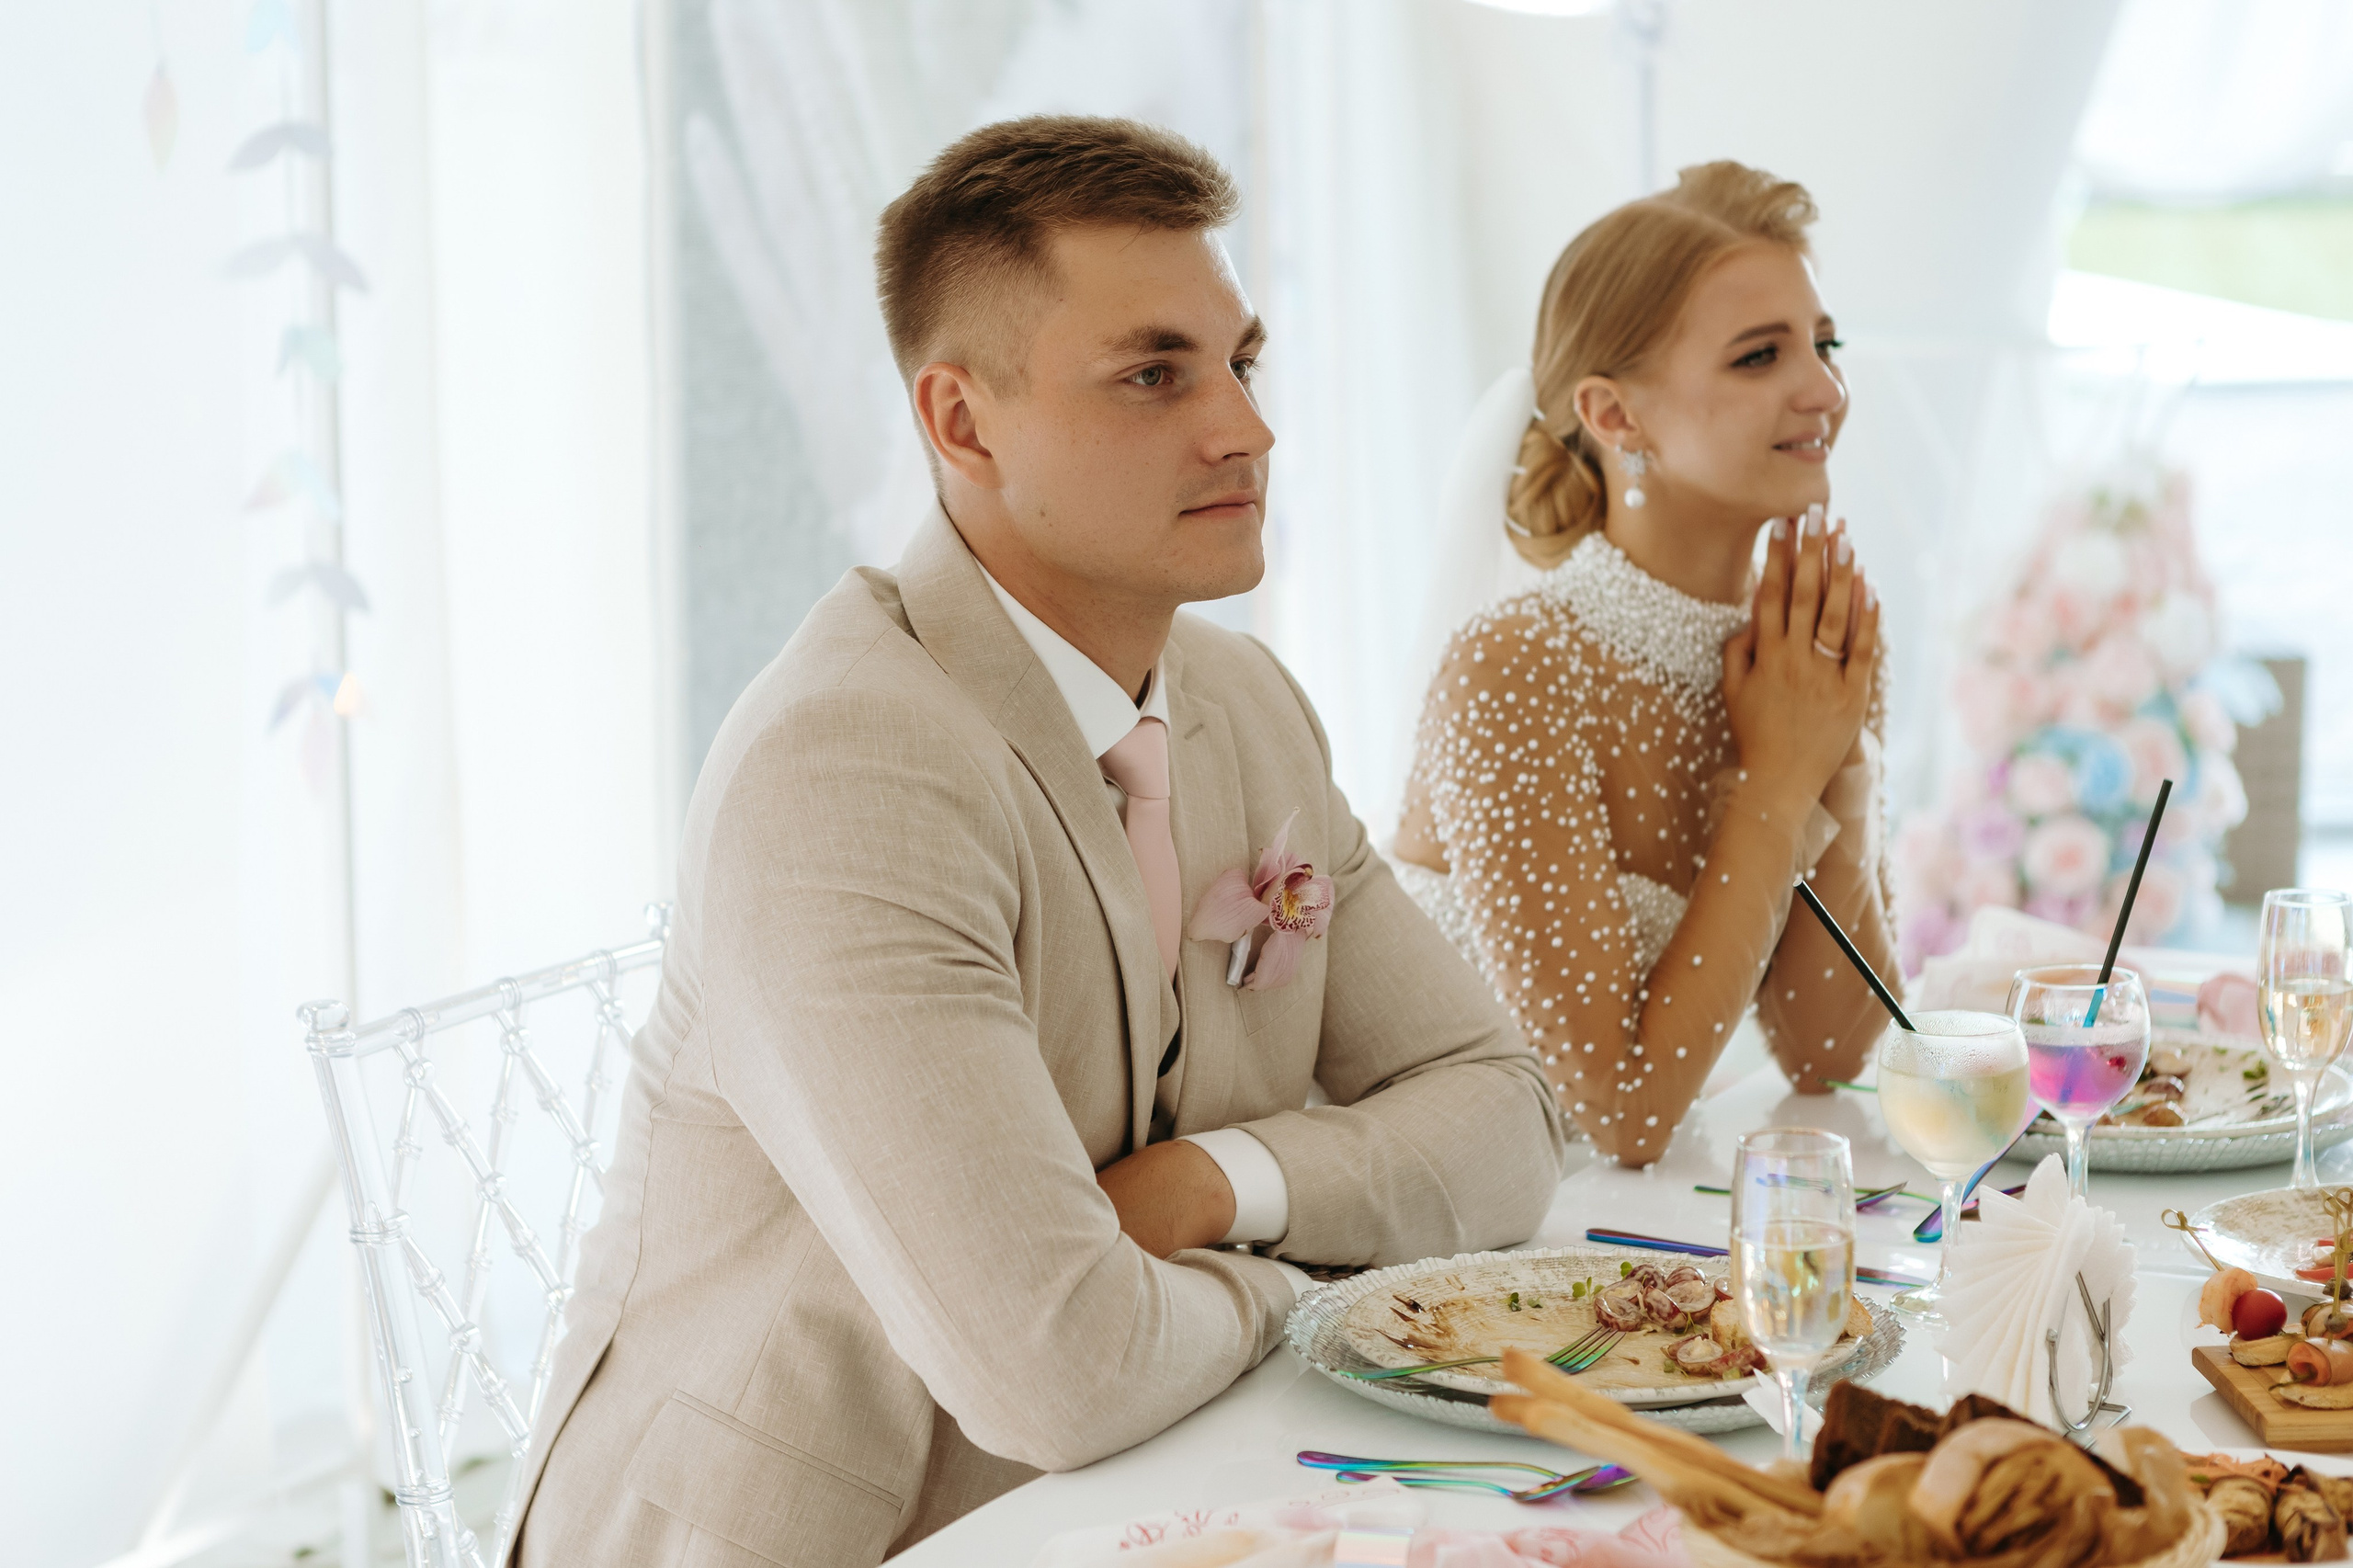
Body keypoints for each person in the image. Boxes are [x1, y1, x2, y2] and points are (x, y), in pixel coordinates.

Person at [512, 117, 1566, 1567]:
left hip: (1159, 1490)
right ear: (964, 424)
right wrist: (1317, 1292)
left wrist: (1218, 1185)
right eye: (1154, 375)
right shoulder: (846, 765)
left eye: (1241, 364)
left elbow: (1507, 1114)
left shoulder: (1249, 705)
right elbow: (1062, 1369)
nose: (1247, 430)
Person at [1392, 162, 1897, 1167]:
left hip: (1646, 1218)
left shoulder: (1801, 652)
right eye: (1760, 356)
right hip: (1454, 1215)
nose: (1825, 390)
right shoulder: (1515, 671)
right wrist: (1776, 782)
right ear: (1615, 416)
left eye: (1824, 344)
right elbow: (1620, 1112)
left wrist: (1836, 759)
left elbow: (1830, 1053)